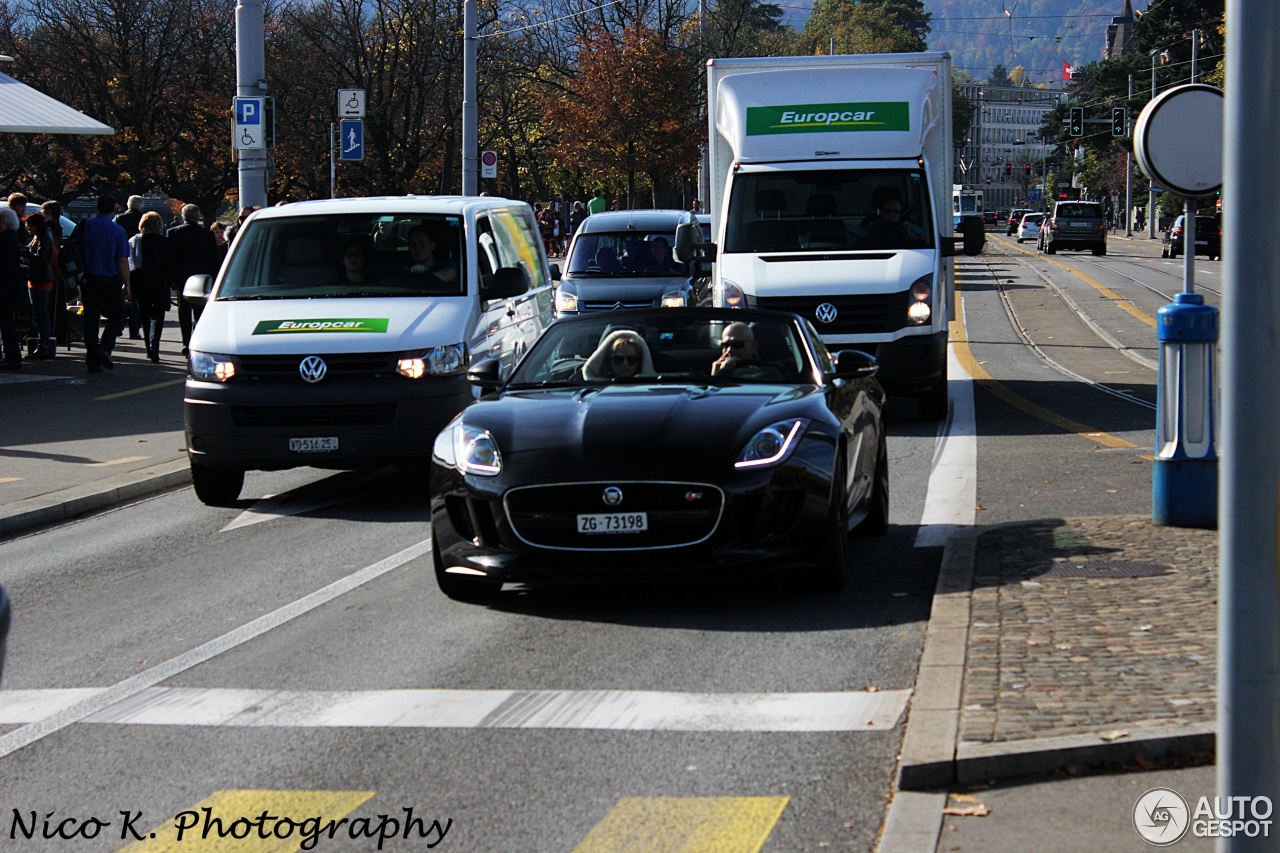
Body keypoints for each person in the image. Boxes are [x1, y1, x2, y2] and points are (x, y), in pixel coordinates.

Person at [75, 194, 132, 373]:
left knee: (91, 318)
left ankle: (92, 359)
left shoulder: (85, 226)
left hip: (88, 278)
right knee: (117, 314)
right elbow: (122, 259)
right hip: (108, 278)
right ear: (113, 209)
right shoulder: (117, 231)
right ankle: (105, 347)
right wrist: (127, 283)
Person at [167, 204, 219, 356]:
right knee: (200, 312)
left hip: (181, 279)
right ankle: (199, 340)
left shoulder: (173, 233)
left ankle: (186, 342)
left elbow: (170, 258)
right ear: (198, 217)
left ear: (183, 217)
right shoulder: (207, 235)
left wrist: (172, 278)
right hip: (202, 279)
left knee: (184, 313)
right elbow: (213, 261)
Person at [129, 211, 173, 362]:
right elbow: (169, 265)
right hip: (160, 282)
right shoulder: (165, 242)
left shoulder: (136, 241)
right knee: (158, 316)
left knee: (145, 316)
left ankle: (148, 347)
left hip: (140, 281)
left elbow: (131, 263)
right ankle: (155, 345)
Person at [23, 213, 56, 359]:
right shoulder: (42, 236)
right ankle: (42, 342)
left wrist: (25, 252)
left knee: (41, 312)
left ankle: (43, 343)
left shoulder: (43, 237)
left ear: (36, 225)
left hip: (41, 278)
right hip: (38, 277)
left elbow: (40, 258)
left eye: (29, 225)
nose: (27, 228)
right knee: (39, 311)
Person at [114, 194, 145, 340]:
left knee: (119, 295)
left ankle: (118, 326)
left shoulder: (119, 219)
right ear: (141, 206)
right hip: (139, 261)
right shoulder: (144, 219)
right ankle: (134, 329)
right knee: (136, 297)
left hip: (121, 258)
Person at [857, 188, 925, 247]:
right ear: (881, 212)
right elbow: (858, 238)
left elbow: (926, 236)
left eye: (896, 212)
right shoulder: (872, 224)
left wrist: (914, 237)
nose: (892, 214)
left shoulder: (907, 225)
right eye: (887, 211)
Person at [0, 207, 24, 369]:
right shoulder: (11, 239)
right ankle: (12, 355)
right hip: (8, 288)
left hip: (4, 288)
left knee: (5, 323)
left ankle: (12, 356)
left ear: (7, 224)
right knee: (6, 323)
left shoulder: (6, 241)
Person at [582, 329, 654, 380]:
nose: (625, 364)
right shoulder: (586, 386)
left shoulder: (655, 388)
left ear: (641, 362)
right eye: (618, 359)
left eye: (632, 360)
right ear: (609, 360)